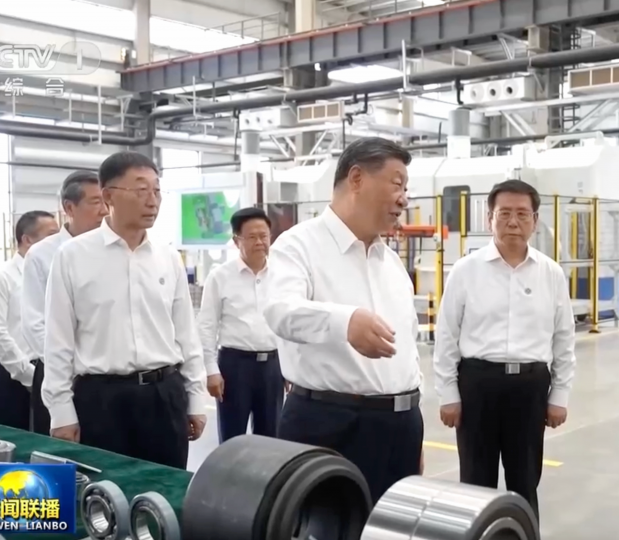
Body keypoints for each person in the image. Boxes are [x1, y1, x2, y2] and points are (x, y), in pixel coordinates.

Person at [263, 137, 423, 503]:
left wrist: (413, 423)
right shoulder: (298, 245)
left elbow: (409, 349)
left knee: (388, 533)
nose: (404, 199)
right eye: (397, 184)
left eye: (406, 189)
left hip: (400, 428)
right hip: (330, 425)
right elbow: (280, 309)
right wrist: (344, 323)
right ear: (356, 179)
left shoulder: (391, 263)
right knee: (329, 531)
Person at [41, 151, 209, 469]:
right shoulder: (73, 256)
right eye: (141, 190)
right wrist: (61, 411)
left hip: (164, 396)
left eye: (157, 190)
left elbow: (186, 334)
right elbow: (58, 340)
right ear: (108, 196)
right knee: (105, 490)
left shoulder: (168, 257)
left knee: (165, 488)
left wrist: (195, 398)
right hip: (102, 400)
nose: (152, 201)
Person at [433, 179, 576, 519]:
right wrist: (448, 393)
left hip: (530, 387)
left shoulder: (551, 273)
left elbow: (564, 338)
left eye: (522, 214)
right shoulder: (466, 271)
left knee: (525, 480)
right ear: (489, 219)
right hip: (477, 384)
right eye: (505, 213)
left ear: (535, 220)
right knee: (475, 480)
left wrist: (560, 395)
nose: (513, 222)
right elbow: (447, 334)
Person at [21, 170, 108, 435]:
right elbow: (35, 324)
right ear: (69, 208)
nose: (104, 210)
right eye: (96, 202)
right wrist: (68, 369)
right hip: (60, 374)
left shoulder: (112, 249)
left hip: (104, 379)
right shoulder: (42, 254)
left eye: (106, 201)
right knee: (63, 450)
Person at [198, 207, 283, 442]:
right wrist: (211, 371)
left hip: (273, 366)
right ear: (237, 241)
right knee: (232, 437)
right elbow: (207, 326)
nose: (260, 242)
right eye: (252, 237)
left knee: (271, 437)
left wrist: (291, 367)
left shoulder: (282, 275)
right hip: (235, 367)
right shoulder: (220, 276)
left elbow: (289, 322)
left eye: (264, 236)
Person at [0, 210, 59, 430]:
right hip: (4, 380)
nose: (58, 242)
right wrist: (30, 376)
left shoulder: (50, 278)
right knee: (5, 448)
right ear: (27, 239)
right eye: (52, 235)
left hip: (42, 376)